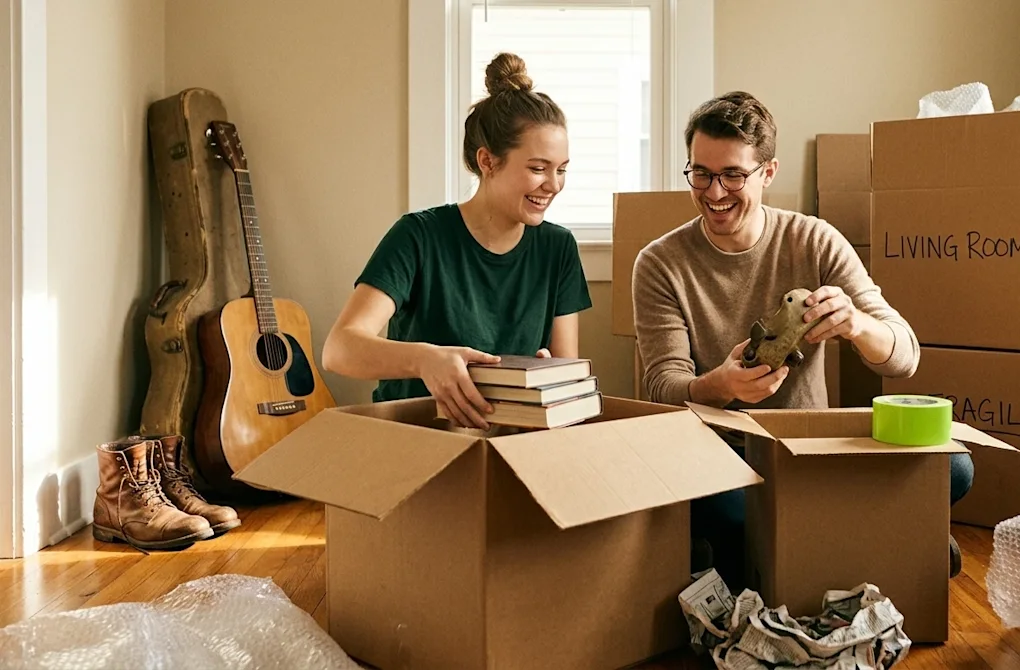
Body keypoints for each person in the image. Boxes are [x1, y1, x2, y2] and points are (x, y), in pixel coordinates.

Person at [630, 91, 972, 585]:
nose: (714, 191)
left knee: (955, 468)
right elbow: (663, 385)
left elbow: (904, 356)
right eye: (700, 173)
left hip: (814, 450)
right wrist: (723, 386)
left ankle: (824, 539)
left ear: (768, 172)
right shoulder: (660, 263)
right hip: (727, 456)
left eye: (733, 175)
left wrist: (856, 325)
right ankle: (883, 538)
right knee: (714, 511)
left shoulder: (815, 240)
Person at [323, 52, 592, 429]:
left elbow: (567, 371)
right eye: (537, 168)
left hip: (508, 441)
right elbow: (339, 350)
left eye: (561, 170)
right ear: (487, 161)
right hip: (413, 436)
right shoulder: (418, 235)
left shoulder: (558, 248)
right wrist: (425, 360)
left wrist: (552, 380)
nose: (553, 185)